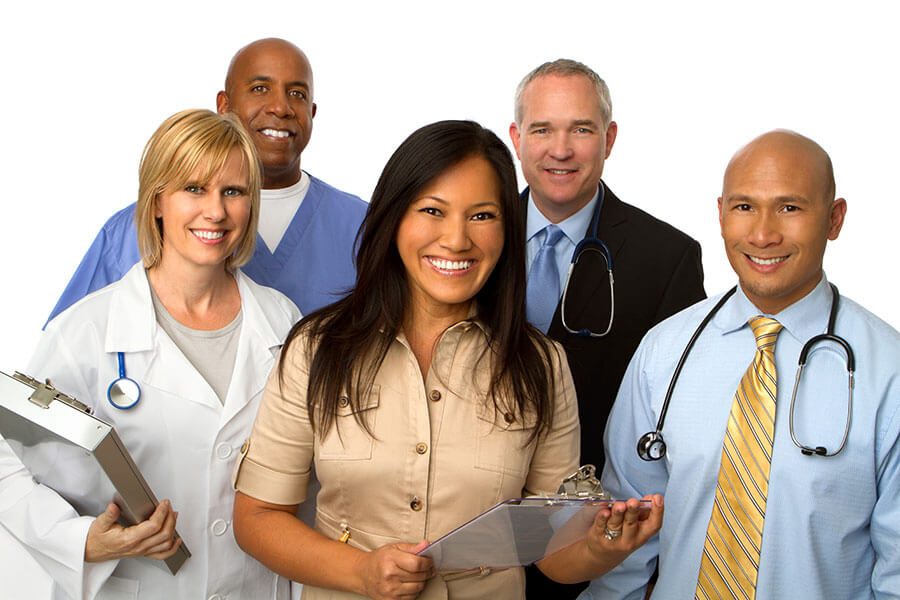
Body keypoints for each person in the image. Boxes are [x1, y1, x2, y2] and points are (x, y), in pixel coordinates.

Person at [231, 120, 663, 599]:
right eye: (433, 210)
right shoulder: (317, 348)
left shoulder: (540, 365)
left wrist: (604, 547)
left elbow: (555, 552)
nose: (457, 240)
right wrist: (361, 572)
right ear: (394, 218)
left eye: (482, 216)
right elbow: (257, 519)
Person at [587, 130, 900, 599]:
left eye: (790, 207)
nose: (763, 234)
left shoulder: (888, 370)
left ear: (834, 219)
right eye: (744, 207)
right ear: (720, 214)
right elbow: (621, 545)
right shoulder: (664, 352)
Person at [0, 109, 299, 599]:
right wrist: (79, 541)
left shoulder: (283, 323)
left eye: (234, 191)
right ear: (157, 200)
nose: (216, 211)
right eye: (194, 189)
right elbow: (6, 457)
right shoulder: (88, 331)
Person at [508, 59, 706, 598]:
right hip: (468, 536)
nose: (561, 149)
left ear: (609, 138)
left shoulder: (666, 259)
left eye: (581, 129)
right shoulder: (470, 237)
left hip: (596, 546)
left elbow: (675, 428)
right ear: (516, 137)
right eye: (543, 129)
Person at [46, 38, 367, 323]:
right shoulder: (133, 229)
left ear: (312, 112)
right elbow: (65, 360)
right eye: (259, 88)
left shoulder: (364, 227)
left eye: (296, 94)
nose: (280, 107)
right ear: (223, 105)